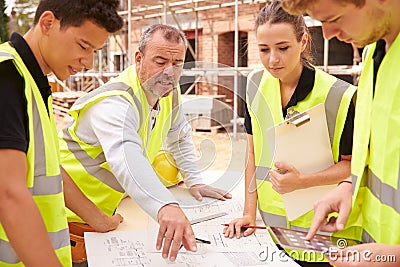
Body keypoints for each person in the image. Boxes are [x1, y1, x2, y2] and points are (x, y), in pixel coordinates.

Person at [58, 24, 232, 263]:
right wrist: (165, 206)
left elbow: (179, 137)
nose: (169, 72)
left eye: (177, 63)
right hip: (70, 218)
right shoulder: (114, 102)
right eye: (160, 62)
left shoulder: (168, 93)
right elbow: (127, 158)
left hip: (110, 215)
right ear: (139, 59)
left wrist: (195, 180)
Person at [223, 1, 360, 266]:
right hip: (272, 234)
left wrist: (303, 181)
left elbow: (353, 166)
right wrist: (249, 213)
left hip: (324, 234)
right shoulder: (254, 84)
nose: (273, 59)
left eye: (283, 48)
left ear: (303, 41)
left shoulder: (339, 96)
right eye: (264, 50)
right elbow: (253, 153)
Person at [0, 0, 123, 266]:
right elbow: (9, 194)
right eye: (83, 46)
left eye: (95, 51)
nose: (88, 62)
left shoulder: (33, 81)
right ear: (47, 23)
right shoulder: (7, 76)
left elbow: (49, 168)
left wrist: (98, 220)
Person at [281, 0, 400, 266]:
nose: (326, 34)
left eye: (334, 18)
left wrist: (395, 257)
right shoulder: (374, 54)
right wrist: (350, 186)